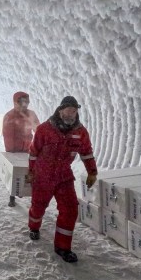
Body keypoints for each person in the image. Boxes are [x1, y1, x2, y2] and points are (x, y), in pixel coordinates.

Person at [26, 96, 98, 263]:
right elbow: (34, 151)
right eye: (67, 110)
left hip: (64, 176)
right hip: (43, 174)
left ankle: (62, 247)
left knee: (71, 209)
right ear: (60, 110)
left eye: (74, 111)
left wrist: (92, 172)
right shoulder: (44, 129)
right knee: (38, 206)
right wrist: (31, 171)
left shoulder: (80, 132)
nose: (70, 114)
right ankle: (34, 227)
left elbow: (86, 152)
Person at [2, 91, 40, 207]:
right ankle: (12, 196)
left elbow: (38, 130)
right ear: (16, 102)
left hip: (27, 149)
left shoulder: (31, 114)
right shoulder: (9, 116)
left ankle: (31, 196)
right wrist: (11, 152)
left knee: (30, 172)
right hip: (13, 150)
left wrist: (38, 144)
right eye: (21, 101)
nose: (24, 104)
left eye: (26, 101)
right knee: (14, 173)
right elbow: (7, 135)